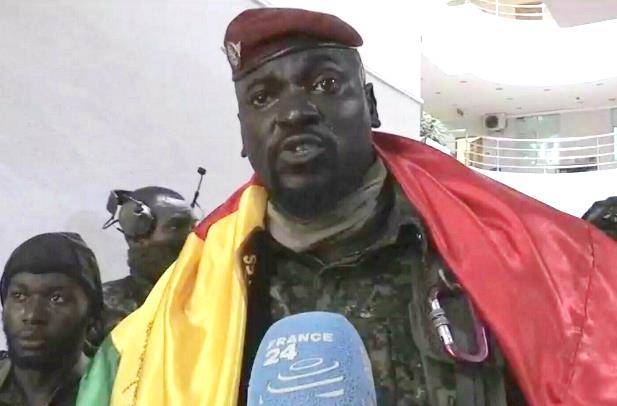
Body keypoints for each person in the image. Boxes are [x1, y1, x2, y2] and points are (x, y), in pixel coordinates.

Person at [78, 8, 617, 406]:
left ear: (372, 105)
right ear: (243, 134)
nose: (294, 112)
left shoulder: (506, 261)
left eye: (325, 83)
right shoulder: (177, 315)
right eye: (263, 97)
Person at [0, 232, 103, 406]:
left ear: (92, 313)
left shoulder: (120, 393)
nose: (32, 315)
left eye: (56, 298)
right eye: (19, 296)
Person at [101, 186, 196, 334]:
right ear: (137, 236)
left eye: (194, 226)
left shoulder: (210, 294)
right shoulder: (103, 306)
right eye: (176, 226)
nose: (192, 235)